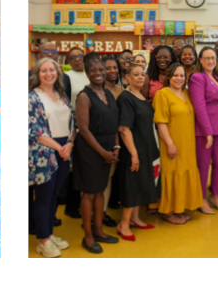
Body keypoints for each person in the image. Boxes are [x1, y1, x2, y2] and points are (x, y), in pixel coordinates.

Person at [73, 54, 121, 254]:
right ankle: (88, 236)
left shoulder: (109, 94)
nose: (99, 73)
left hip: (108, 148)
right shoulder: (84, 96)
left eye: (101, 69)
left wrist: (116, 148)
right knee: (89, 192)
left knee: (101, 189)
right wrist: (103, 152)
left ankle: (99, 230)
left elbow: (114, 124)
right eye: (93, 70)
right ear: (87, 73)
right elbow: (83, 130)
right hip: (90, 150)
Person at [28, 57, 74, 257]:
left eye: (52, 70)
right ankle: (43, 241)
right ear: (37, 74)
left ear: (57, 73)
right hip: (45, 152)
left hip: (64, 149)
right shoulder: (32, 98)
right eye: (44, 70)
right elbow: (35, 130)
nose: (49, 74)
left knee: (55, 195)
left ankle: (49, 233)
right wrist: (60, 148)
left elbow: (72, 122)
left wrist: (70, 143)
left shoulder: (61, 95)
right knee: (44, 198)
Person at [154, 62, 203, 224]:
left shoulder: (188, 93)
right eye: (175, 75)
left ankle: (179, 209)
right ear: (168, 77)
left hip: (188, 144)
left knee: (185, 171)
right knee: (173, 173)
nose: (179, 78)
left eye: (182, 75)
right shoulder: (163, 94)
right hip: (172, 142)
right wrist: (170, 144)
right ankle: (169, 212)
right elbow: (160, 123)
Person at [116, 64, 157, 240]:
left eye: (142, 74)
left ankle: (135, 218)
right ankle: (123, 225)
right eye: (136, 74)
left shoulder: (141, 96)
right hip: (133, 150)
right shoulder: (126, 97)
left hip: (145, 148)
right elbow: (124, 129)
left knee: (140, 184)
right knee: (132, 186)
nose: (140, 77)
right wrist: (134, 154)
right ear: (127, 78)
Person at [189, 47, 218, 214]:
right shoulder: (197, 78)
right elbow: (199, 107)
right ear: (200, 60)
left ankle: (216, 196)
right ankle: (202, 199)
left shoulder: (216, 78)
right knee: (203, 165)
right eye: (206, 58)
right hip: (204, 131)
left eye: (213, 58)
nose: (210, 61)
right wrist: (207, 132)